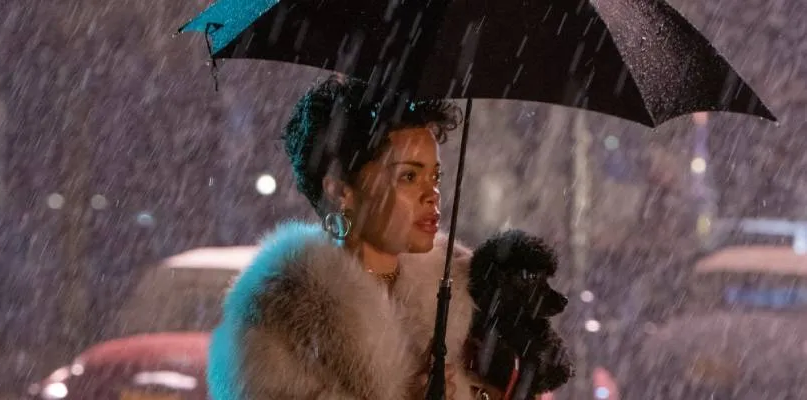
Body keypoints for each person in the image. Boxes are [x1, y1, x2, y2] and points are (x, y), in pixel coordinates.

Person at [206, 75, 565, 400]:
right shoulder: (275, 321)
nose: (432, 195)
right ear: (340, 191)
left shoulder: (467, 290)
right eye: (409, 176)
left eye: (435, 177)